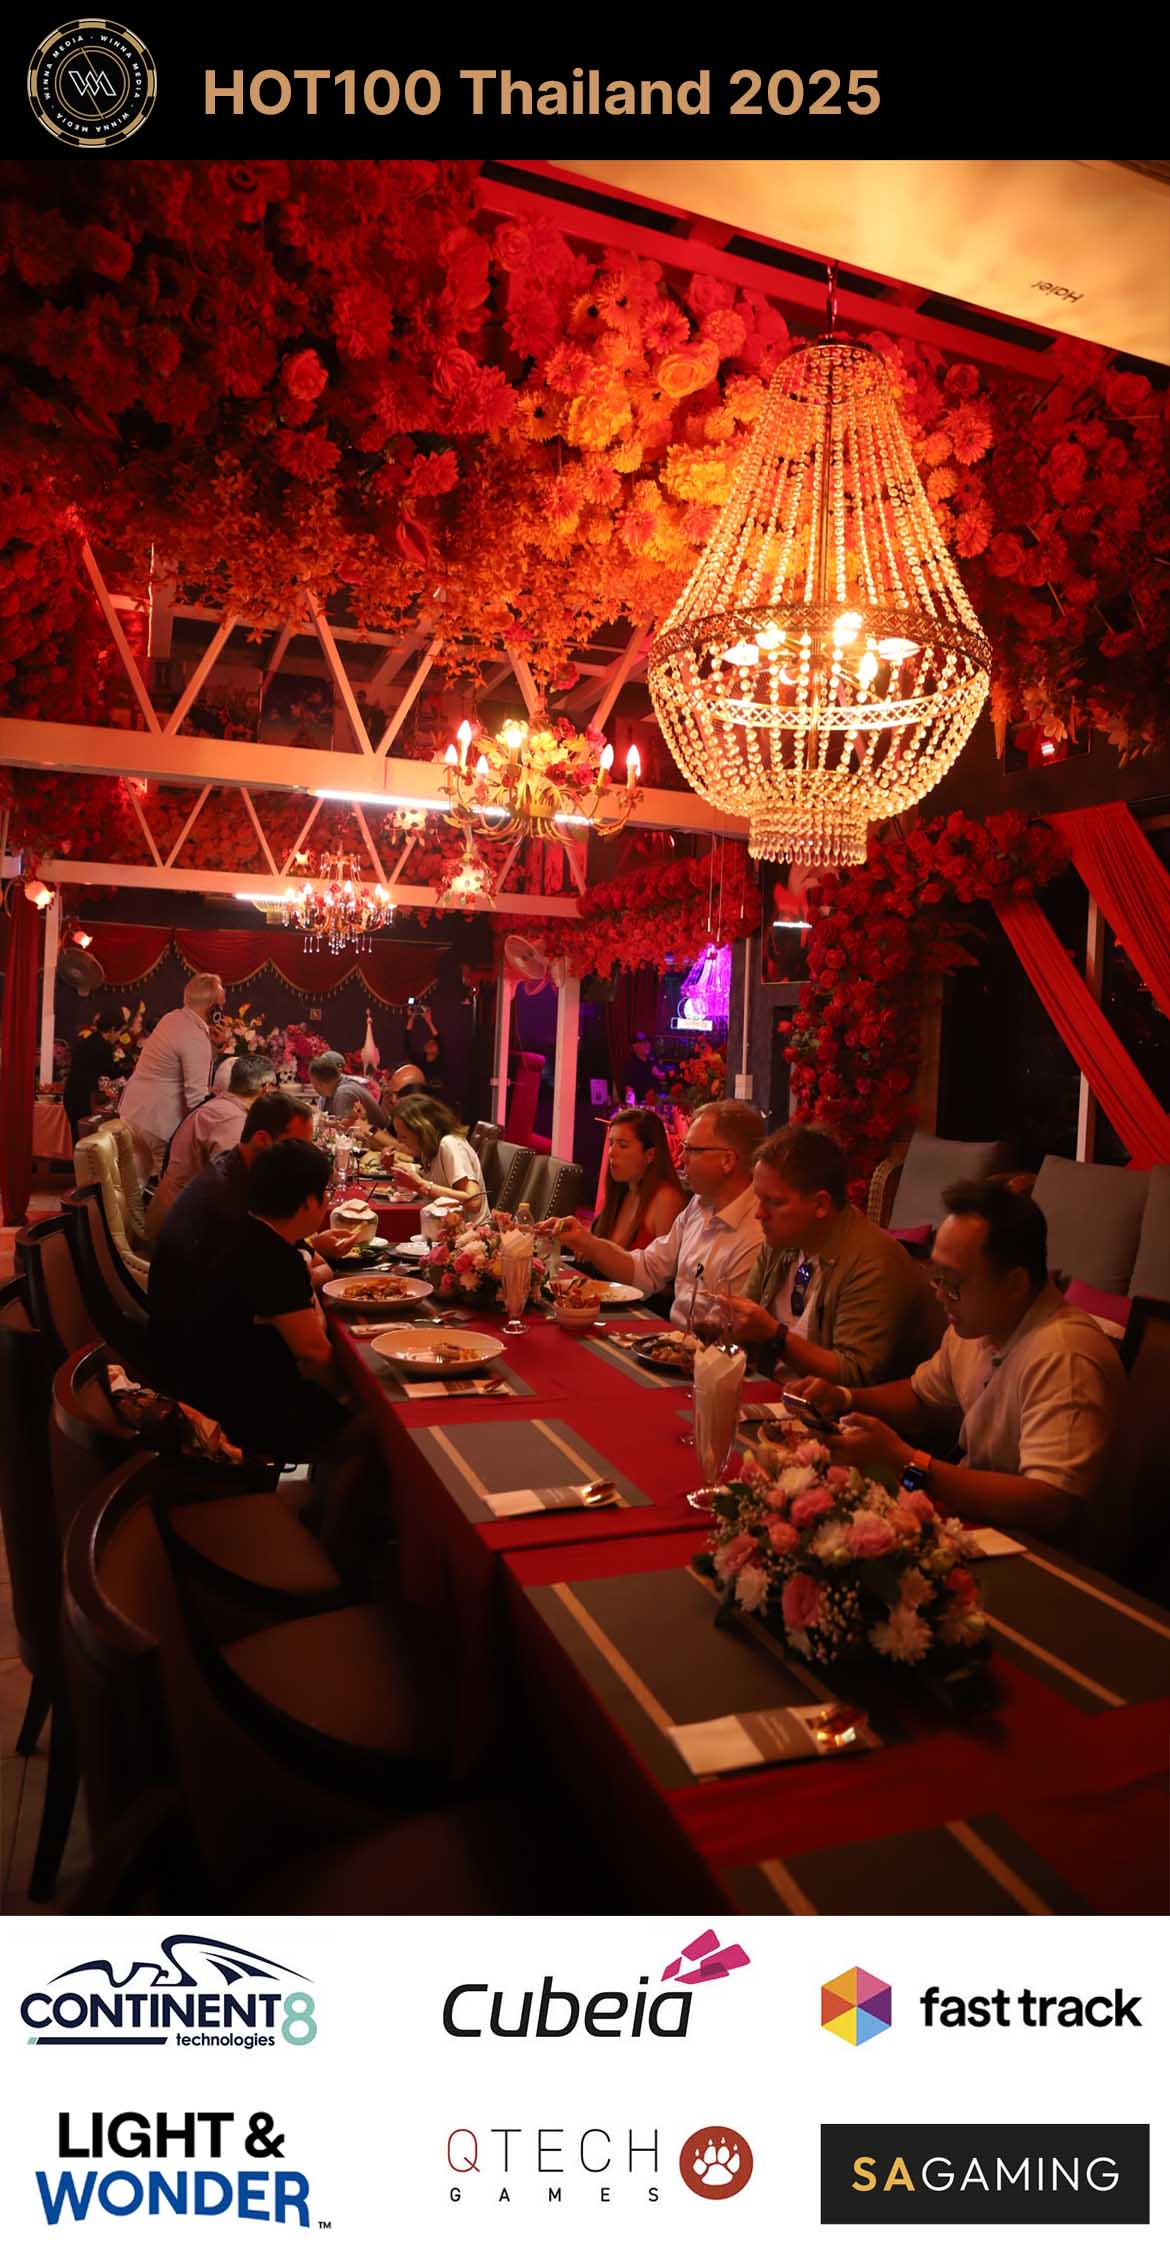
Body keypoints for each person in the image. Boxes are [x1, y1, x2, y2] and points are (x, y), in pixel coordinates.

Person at [789, 1179, 1126, 1544]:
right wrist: (844, 1398)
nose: (940, 1296)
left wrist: (909, 1463)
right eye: (936, 1278)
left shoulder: (1064, 1356)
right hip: (980, 1524)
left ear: (1014, 1283)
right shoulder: (979, 1325)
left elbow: (1048, 1503)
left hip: (1045, 1554)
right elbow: (921, 1396)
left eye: (953, 1284)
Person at [149, 1089, 343, 1392]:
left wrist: (304, 1266)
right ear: (263, 1139)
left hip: (207, 1353)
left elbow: (300, 1268)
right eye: (294, 1145)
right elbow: (313, 1352)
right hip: (203, 1370)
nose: (300, 1156)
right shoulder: (230, 1204)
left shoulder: (240, 1176)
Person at [717, 1123, 939, 1385]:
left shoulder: (873, 1261)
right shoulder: (782, 1241)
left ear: (821, 1204)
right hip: (771, 1392)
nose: (759, 1213)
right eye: (759, 1198)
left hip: (836, 1408)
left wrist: (774, 1335)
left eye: (775, 1202)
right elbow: (743, 1325)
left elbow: (853, 1373)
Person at [169, 1137, 347, 1461]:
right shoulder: (272, 1257)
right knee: (371, 1426)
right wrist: (352, 1397)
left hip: (209, 1383)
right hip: (242, 1408)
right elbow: (314, 1354)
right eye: (325, 1193)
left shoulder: (249, 1229)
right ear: (309, 1201)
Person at [560, 1099, 765, 1327]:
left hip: (701, 1346)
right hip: (673, 1337)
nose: (682, 1158)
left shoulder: (756, 1231)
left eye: (692, 1150)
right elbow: (647, 1269)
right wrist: (586, 1242)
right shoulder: (699, 1205)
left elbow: (729, 1332)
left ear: (727, 1160)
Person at [145, 1053, 276, 1244]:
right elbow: (234, 1185)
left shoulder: (220, 1107)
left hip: (173, 1217)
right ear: (266, 1088)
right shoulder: (230, 1119)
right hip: (181, 1234)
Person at [118, 971, 225, 1180]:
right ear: (213, 1008)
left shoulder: (173, 1018)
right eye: (222, 1004)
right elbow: (196, 1099)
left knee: (135, 1184)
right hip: (159, 1123)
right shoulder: (194, 1036)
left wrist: (215, 1045)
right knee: (171, 1185)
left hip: (135, 1112)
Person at [592, 1107, 688, 1251]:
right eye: (611, 1143)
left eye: (623, 1145)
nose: (611, 1152)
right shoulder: (624, 1191)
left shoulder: (666, 1199)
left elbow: (666, 1264)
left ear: (650, 1155)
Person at [378, 1092, 486, 1215]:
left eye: (404, 1136)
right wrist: (398, 1170)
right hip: (440, 1222)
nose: (399, 1141)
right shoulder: (428, 1148)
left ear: (421, 1131)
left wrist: (421, 1186)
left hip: (468, 1226)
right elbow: (436, 1179)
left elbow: (474, 1202)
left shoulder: (449, 1144)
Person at [63, 1009, 120, 1141]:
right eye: (119, 1032)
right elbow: (111, 1074)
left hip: (72, 1095)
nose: (118, 1037)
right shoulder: (102, 1046)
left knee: (79, 1139)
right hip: (84, 1099)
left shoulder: (90, 1040)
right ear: (112, 1029)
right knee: (89, 1141)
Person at [308, 1050, 388, 1131]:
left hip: (378, 1138)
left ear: (320, 1084)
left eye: (313, 1083)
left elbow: (342, 1132)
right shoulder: (338, 1085)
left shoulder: (343, 1093)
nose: (313, 1087)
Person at [620, 1032, 662, 1106]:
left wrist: (659, 1074)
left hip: (656, 1102)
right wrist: (632, 1104)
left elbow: (661, 1075)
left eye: (648, 1042)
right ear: (635, 1046)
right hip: (640, 1104)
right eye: (644, 1043)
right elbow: (628, 1088)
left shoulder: (652, 1059)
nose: (648, 1045)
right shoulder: (630, 1064)